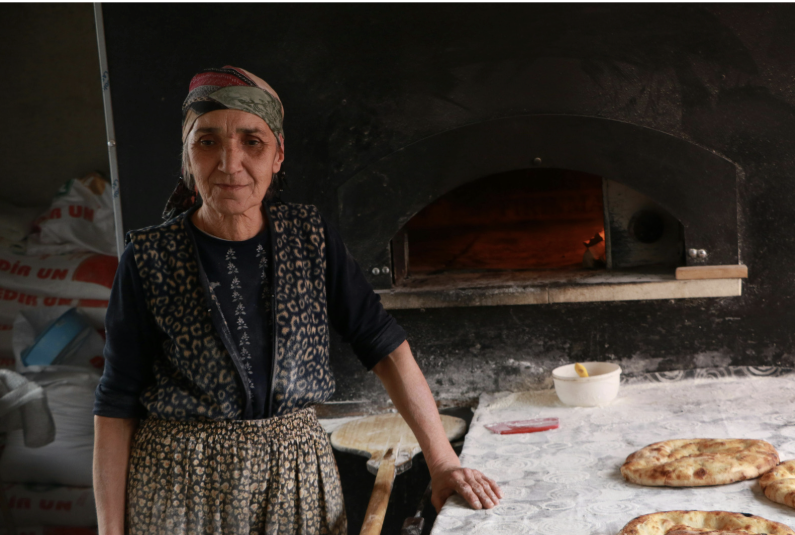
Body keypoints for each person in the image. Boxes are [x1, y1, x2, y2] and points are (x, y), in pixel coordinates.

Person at [92, 66, 502, 535]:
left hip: (294, 482)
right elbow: (116, 403)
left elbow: (384, 346)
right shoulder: (149, 257)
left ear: (278, 155)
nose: (229, 163)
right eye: (207, 141)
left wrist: (443, 463)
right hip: (180, 488)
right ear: (187, 156)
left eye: (252, 142)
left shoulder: (308, 237)